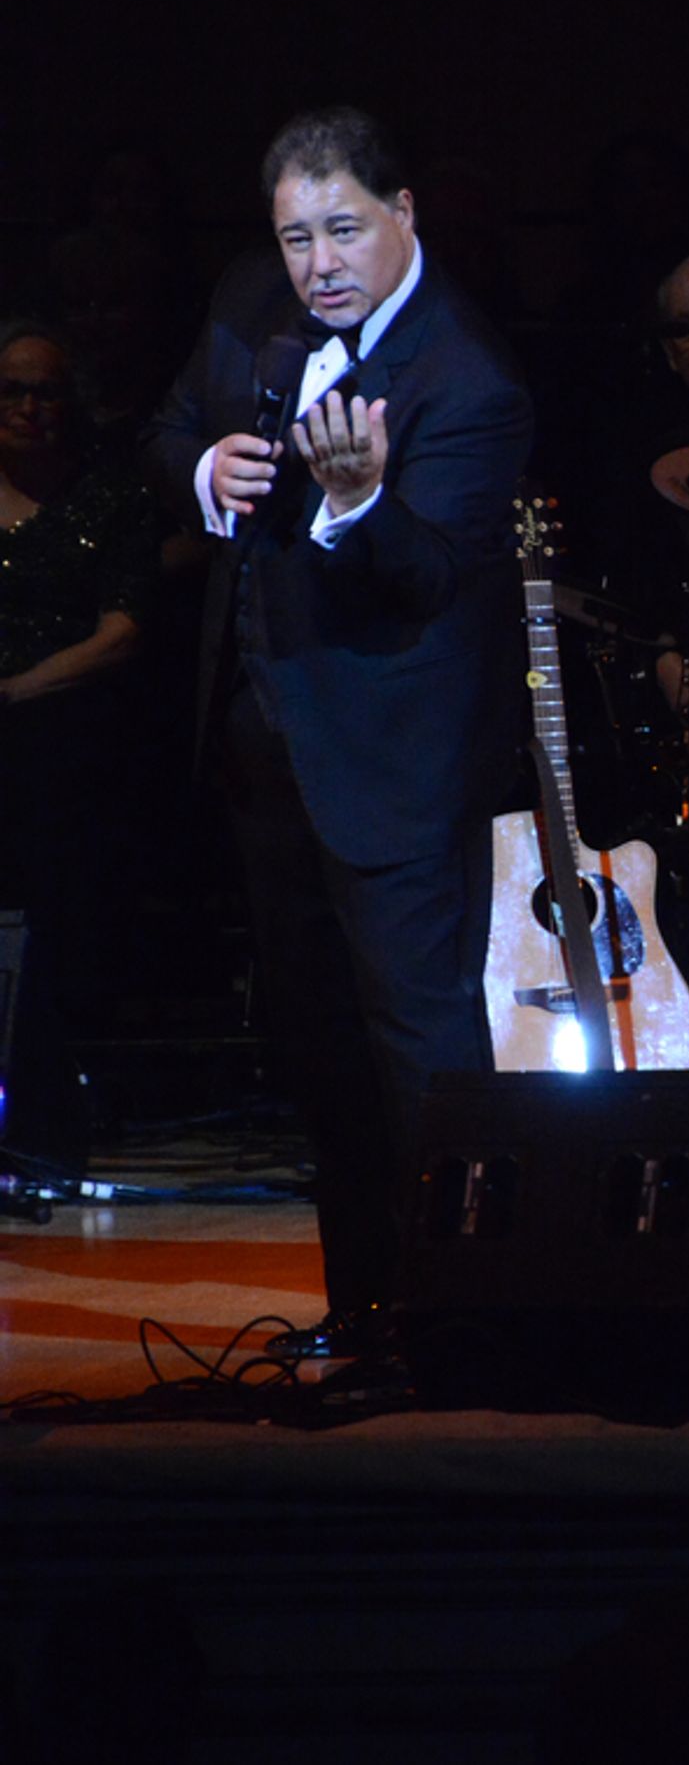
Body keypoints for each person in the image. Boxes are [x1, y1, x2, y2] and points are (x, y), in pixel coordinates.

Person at [142, 107, 532, 1358]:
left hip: (396, 767)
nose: (318, 263)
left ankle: (467, 1311)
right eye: (297, 234)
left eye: (343, 230)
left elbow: (429, 579)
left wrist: (359, 503)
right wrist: (206, 468)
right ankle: (366, 1305)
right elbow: (161, 428)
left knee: (420, 1049)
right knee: (315, 1048)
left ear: (402, 212)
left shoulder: (468, 375)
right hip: (266, 749)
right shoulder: (251, 301)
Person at [0, 321, 163, 1162]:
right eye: (13, 390)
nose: (30, 408)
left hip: (66, 728)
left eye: (47, 391)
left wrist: (13, 691)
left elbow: (123, 633)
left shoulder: (112, 499)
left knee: (54, 894)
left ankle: (42, 1122)